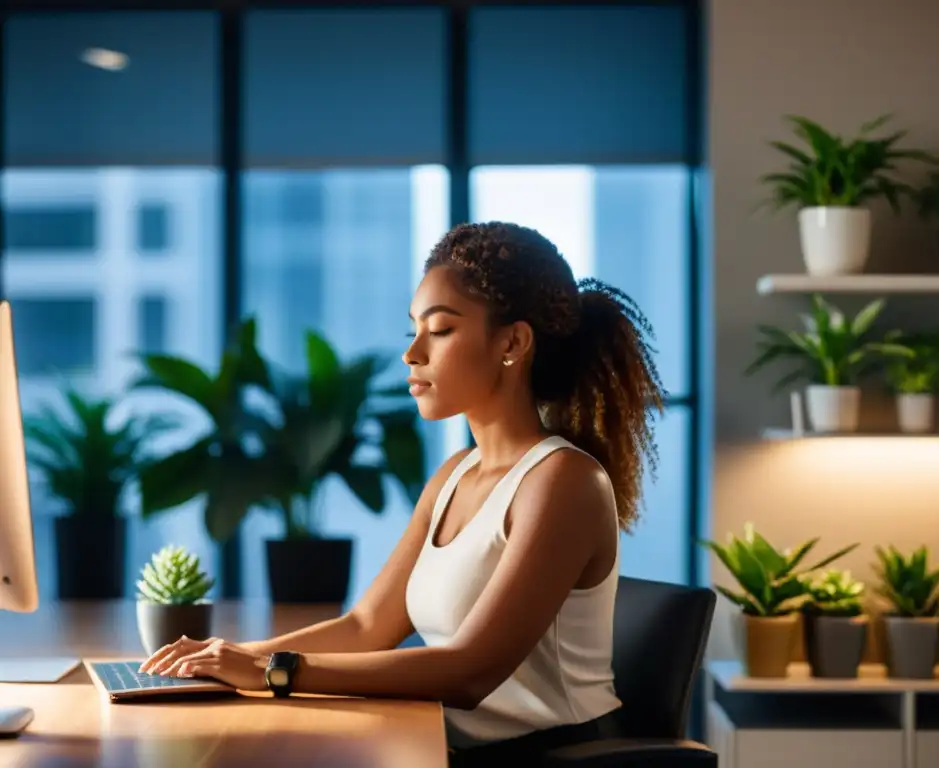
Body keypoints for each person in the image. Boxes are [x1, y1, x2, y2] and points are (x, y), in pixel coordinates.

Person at [140, 221, 666, 765]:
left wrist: (272, 673)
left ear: (512, 342)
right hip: (446, 745)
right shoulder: (456, 474)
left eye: (439, 330)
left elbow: (469, 671)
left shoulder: (563, 482)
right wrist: (227, 658)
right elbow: (367, 627)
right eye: (413, 330)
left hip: (548, 756)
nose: (412, 353)